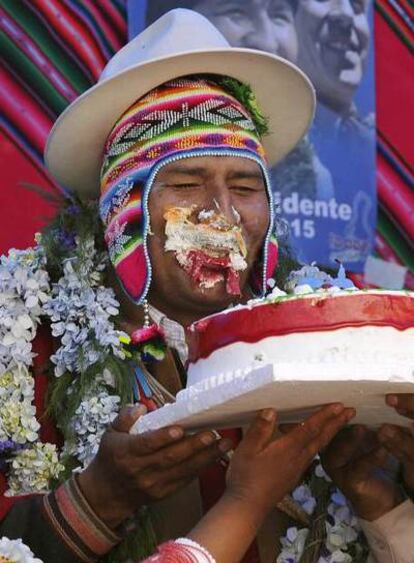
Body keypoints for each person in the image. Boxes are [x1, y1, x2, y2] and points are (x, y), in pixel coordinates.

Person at [0, 9, 413, 563]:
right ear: (124, 209)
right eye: (187, 183)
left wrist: (380, 497)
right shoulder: (27, 334)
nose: (223, 213)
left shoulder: (323, 341)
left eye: (245, 186)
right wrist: (98, 499)